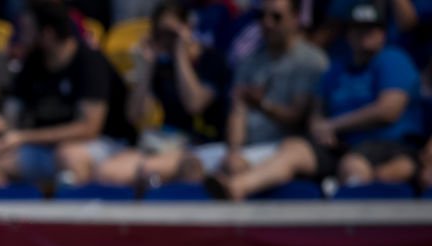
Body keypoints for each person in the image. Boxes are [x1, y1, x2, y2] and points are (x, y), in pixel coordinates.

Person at [208, 1, 424, 199]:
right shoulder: (336, 69)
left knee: (354, 165)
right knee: (294, 147)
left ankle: (356, 232)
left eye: (371, 28)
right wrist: (321, 128)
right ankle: (238, 187)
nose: (364, 34)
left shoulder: (393, 59)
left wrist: (334, 125)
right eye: (358, 28)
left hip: (387, 145)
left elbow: (388, 110)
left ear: (383, 33)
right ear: (348, 33)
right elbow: (317, 113)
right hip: (340, 146)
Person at [0, 2, 136, 188]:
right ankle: (16, 216)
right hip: (48, 147)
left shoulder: (90, 62)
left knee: (69, 156)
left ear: (48, 34)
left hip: (106, 145)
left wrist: (23, 137)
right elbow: (12, 119)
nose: (20, 36)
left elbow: (89, 128)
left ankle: (80, 215)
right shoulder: (31, 64)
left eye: (27, 29)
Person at [93, 0, 229, 188]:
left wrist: (180, 53)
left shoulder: (212, 60)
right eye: (160, 34)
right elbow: (134, 115)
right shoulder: (160, 64)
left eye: (170, 33)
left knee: (147, 169)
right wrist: (146, 67)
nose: (166, 41)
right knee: (106, 171)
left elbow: (194, 104)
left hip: (203, 145)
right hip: (166, 143)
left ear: (187, 27)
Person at [196, 0, 327, 177]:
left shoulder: (311, 61)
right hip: (243, 149)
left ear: (296, 18)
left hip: (281, 149)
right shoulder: (249, 61)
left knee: (233, 169)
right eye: (261, 16)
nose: (267, 23)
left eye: (276, 17)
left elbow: (297, 117)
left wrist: (262, 105)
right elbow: (237, 112)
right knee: (191, 164)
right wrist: (234, 151)